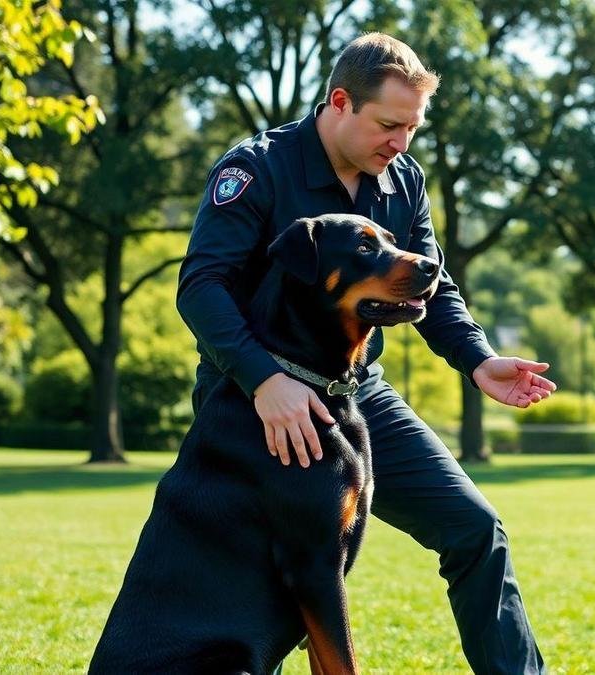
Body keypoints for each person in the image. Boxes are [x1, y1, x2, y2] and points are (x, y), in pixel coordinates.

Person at [176, 32, 553, 674]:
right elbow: (202, 287)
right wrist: (265, 381)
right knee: (271, 581)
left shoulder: (402, 179)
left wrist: (478, 360)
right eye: (388, 124)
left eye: (412, 128)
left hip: (357, 395)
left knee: (474, 529)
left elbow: (433, 283)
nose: (401, 143)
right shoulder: (257, 169)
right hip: (258, 400)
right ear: (340, 102)